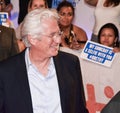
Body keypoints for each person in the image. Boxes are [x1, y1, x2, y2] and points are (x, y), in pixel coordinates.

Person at [0, 8, 88, 113]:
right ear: (32, 39)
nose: (58, 40)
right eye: (52, 35)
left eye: (58, 34)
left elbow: (80, 108)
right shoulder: (5, 72)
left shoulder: (70, 64)